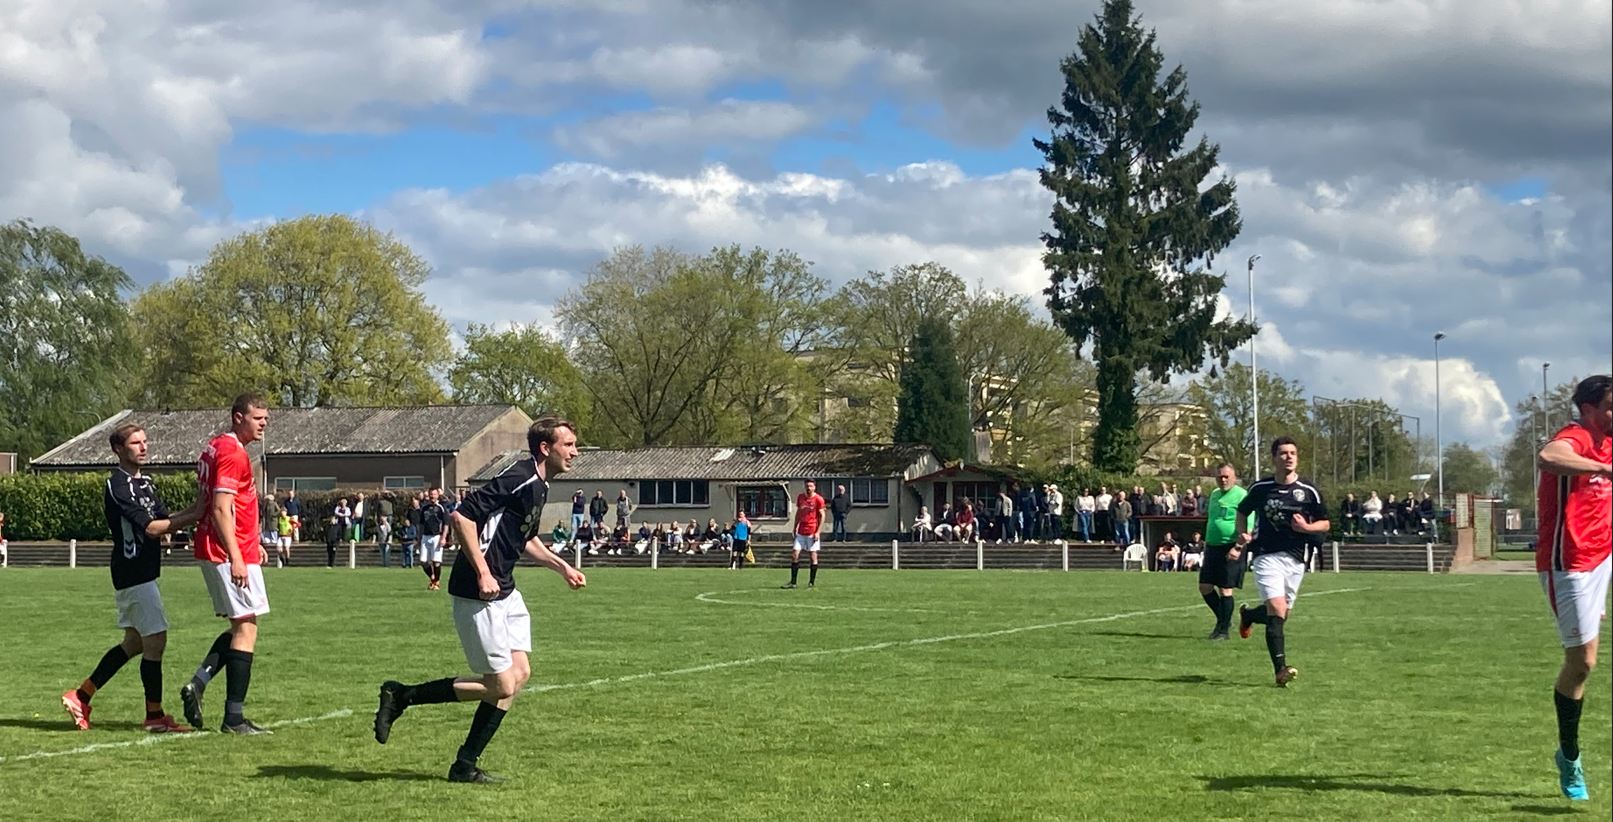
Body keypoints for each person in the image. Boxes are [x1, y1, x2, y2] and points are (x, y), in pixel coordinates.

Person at [373, 417, 586, 783]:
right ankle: (402, 695)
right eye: (568, 445)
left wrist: (562, 567)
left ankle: (464, 765)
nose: (575, 452)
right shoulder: (518, 477)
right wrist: (484, 571)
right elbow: (462, 517)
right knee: (501, 684)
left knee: (518, 676)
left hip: (506, 590)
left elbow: (527, 538)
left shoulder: (540, 485)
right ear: (545, 448)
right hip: (479, 591)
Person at [60, 423, 204, 733]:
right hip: (133, 571)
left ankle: (81, 695)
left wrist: (200, 505)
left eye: (145, 441)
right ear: (118, 450)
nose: (143, 447)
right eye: (135, 443)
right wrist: (197, 514)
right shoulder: (118, 485)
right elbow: (151, 528)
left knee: (135, 642)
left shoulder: (147, 483)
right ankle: (154, 717)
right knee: (156, 641)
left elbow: (166, 521)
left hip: (144, 571)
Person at [1534, 374, 1611, 801]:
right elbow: (1549, 456)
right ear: (1589, 409)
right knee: (1582, 664)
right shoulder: (1576, 436)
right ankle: (1569, 753)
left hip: (1605, 556)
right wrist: (1601, 466)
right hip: (1571, 564)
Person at [179, 393, 273, 733]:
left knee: (240, 626)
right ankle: (233, 718)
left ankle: (199, 683)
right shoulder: (233, 453)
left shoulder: (216, 445)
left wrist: (253, 541)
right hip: (227, 551)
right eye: (258, 417)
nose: (264, 423)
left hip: (225, 547)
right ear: (238, 417)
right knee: (247, 629)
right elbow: (220, 507)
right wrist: (237, 555)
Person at [1234, 437, 1329, 687]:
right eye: (1284, 453)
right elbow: (1242, 511)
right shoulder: (1261, 488)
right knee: (1277, 608)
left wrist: (1307, 527)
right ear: (1274, 457)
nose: (1289, 457)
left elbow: (1326, 523)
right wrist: (1242, 535)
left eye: (1293, 453)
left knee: (1281, 614)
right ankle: (1280, 670)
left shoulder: (1309, 490)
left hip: (1296, 559)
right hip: (1266, 556)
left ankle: (1250, 615)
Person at [1198, 463, 1252, 641]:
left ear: (1234, 477)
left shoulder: (1242, 495)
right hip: (1212, 546)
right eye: (1220, 476)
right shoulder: (1214, 494)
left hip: (1231, 546)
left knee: (1225, 589)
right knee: (1205, 587)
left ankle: (1223, 631)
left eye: (1226, 476)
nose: (1223, 479)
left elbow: (1248, 527)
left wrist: (1238, 547)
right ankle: (1224, 619)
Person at [782, 480, 826, 589]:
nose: (808, 488)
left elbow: (822, 516)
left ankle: (811, 582)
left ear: (814, 487)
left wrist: (818, 532)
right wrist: (794, 526)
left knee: (812, 556)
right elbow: (798, 513)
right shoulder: (801, 497)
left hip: (812, 531)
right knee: (795, 555)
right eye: (807, 486)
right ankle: (793, 582)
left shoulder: (818, 499)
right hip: (801, 531)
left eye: (811, 486)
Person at [420, 488, 449, 590]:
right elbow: (421, 524)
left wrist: (443, 537)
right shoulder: (424, 508)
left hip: (437, 536)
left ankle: (436, 582)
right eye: (431, 494)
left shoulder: (441, 508)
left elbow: (446, 524)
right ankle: (433, 578)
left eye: (434, 494)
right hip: (425, 536)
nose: (432, 496)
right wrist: (419, 538)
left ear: (438, 495)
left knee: (436, 561)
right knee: (423, 561)